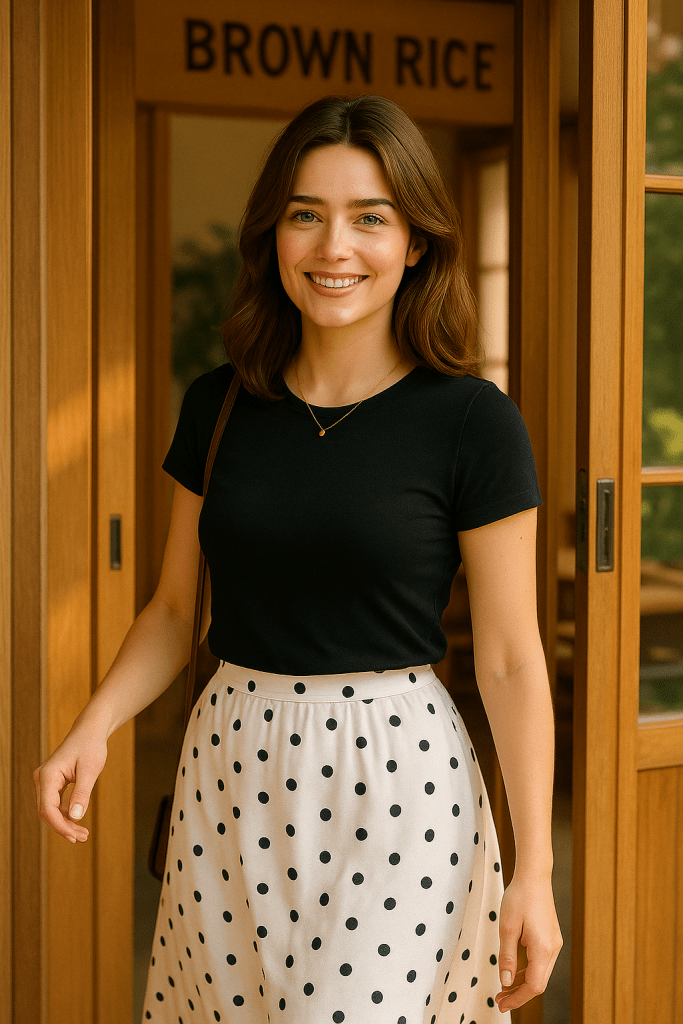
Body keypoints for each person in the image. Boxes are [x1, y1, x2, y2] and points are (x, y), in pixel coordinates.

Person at [34, 94, 562, 1023]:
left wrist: (535, 871)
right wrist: (94, 728)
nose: (333, 248)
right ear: (272, 234)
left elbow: (514, 660)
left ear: (416, 244)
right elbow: (170, 610)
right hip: (230, 771)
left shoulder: (472, 422)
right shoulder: (220, 404)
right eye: (305, 215)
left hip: (398, 780)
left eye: (370, 218)